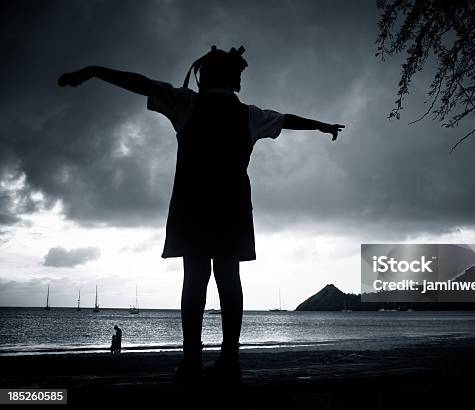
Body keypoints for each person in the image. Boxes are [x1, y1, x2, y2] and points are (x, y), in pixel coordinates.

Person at [58, 46, 344, 381]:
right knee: (228, 279)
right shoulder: (249, 115)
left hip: (192, 205)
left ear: (205, 76)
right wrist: (322, 126)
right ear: (232, 80)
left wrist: (93, 69)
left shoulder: (186, 103)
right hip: (232, 206)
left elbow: (140, 83)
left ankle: (192, 360)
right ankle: (230, 361)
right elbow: (287, 119)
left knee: (194, 280)